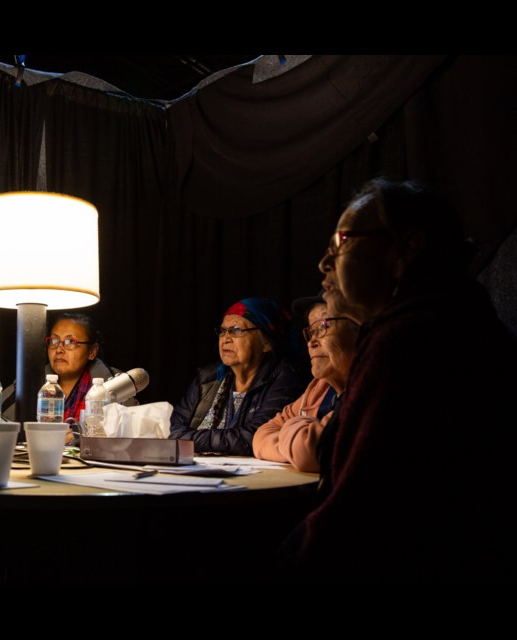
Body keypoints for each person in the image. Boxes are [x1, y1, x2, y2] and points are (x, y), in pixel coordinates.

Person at [286, 178, 517, 582]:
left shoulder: (410, 341)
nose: (324, 265)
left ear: (405, 249)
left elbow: (359, 516)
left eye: (340, 243)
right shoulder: (457, 320)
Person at [169, 297, 305, 455]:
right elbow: (173, 428)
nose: (226, 338)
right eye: (222, 331)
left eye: (237, 330)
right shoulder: (207, 378)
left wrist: (190, 440)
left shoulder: (286, 378)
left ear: (266, 342)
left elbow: (253, 437)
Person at [252, 296, 358, 472]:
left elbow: (308, 453)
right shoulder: (320, 387)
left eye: (324, 327)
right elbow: (260, 436)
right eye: (311, 331)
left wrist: (297, 436)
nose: (312, 342)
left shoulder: (367, 387)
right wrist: (296, 444)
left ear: (356, 330)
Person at [1, 312, 137, 428]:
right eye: (54, 341)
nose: (59, 349)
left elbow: (132, 430)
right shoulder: (30, 381)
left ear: (92, 351)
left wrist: (77, 435)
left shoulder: (115, 384)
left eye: (70, 342)